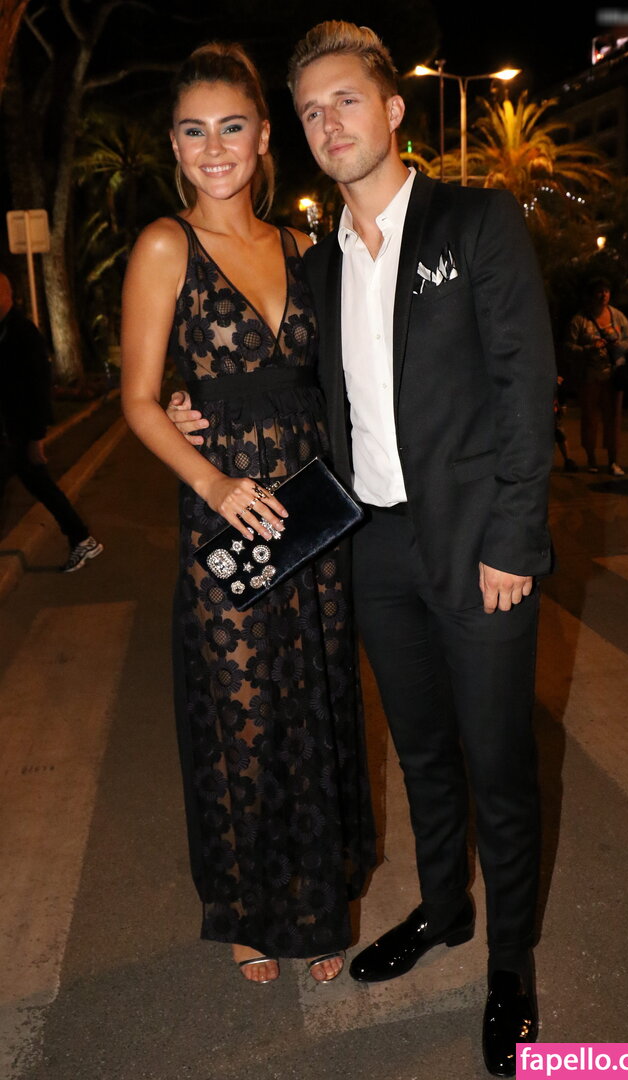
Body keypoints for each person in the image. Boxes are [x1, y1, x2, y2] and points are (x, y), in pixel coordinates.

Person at [169, 22, 555, 1076]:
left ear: (390, 109)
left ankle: (510, 966)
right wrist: (191, 407)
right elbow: (284, 382)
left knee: (497, 763)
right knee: (421, 752)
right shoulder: (321, 262)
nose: (329, 123)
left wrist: (516, 537)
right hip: (373, 551)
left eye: (346, 100)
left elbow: (525, 387)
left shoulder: (475, 221)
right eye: (310, 110)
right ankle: (443, 911)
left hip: (479, 548)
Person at [120, 42, 374, 987]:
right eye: (194, 132)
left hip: (311, 516)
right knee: (242, 718)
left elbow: (338, 377)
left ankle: (320, 904)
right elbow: (138, 400)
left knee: (317, 705)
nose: (214, 148)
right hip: (225, 516)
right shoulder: (165, 246)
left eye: (232, 127)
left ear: (265, 136)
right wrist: (212, 482)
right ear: (175, 146)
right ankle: (248, 906)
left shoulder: (306, 247)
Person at [0, 272, 103, 572]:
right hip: (11, 432)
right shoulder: (5, 331)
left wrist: (36, 437)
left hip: (19, 433)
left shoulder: (23, 332)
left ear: (6, 295)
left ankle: (81, 538)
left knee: (40, 485)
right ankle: (81, 538)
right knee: (42, 486)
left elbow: (38, 386)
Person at [565, 277, 628, 475]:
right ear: (592, 294)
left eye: (606, 291)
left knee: (613, 418)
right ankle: (591, 459)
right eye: (599, 291)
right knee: (590, 418)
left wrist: (618, 346)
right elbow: (568, 346)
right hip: (590, 376)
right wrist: (589, 348)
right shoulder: (580, 319)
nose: (604, 295)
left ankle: (613, 460)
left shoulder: (617, 316)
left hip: (613, 375)